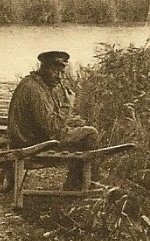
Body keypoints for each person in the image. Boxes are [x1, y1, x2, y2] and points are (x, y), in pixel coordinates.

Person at [7, 51, 99, 190]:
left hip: (28, 139)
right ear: (43, 68)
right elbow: (52, 127)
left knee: (81, 129)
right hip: (33, 144)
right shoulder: (35, 90)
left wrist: (71, 122)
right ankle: (82, 185)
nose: (60, 77)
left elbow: (46, 119)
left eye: (62, 72)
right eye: (55, 71)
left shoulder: (35, 84)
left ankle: (76, 183)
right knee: (90, 133)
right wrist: (68, 105)